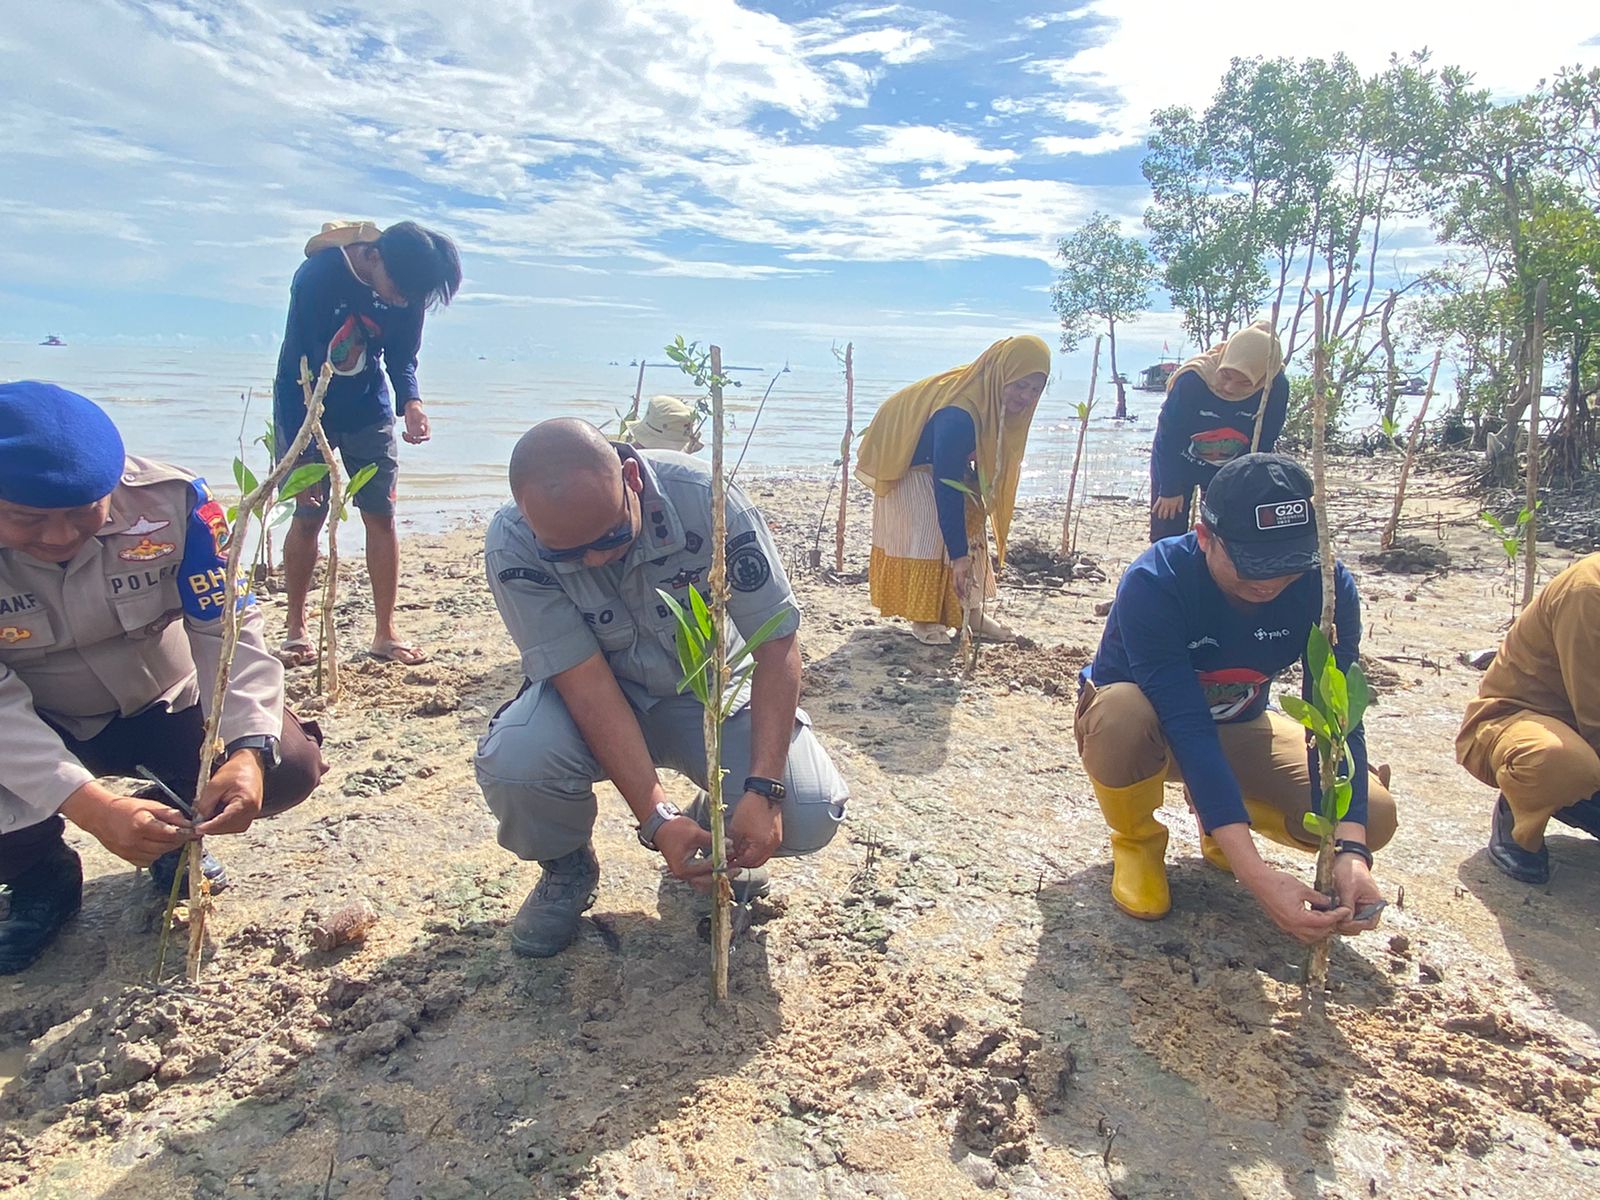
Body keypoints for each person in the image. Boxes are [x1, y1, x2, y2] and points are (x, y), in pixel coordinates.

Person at [473, 419, 847, 957]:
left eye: (610, 538)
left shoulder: (707, 500)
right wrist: (656, 818)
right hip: (601, 700)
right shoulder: (513, 543)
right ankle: (567, 866)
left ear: (632, 478)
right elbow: (586, 687)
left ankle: (711, 819)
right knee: (516, 763)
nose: (594, 561)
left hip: (709, 692)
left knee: (808, 811)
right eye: (567, 556)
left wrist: (764, 789)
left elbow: (776, 644)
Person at [0, 383, 327, 973]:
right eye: (27, 519)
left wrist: (249, 750)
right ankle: (38, 871)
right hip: (38, 722)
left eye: (82, 513)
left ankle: (167, 822)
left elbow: (227, 630)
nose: (58, 536)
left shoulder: (175, 503)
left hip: (166, 700)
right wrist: (91, 808)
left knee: (291, 763)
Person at [1075, 453, 1396, 943]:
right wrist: (1256, 876)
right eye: (1253, 566)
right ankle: (1137, 841)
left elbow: (1337, 719)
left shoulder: (1326, 587)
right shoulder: (1155, 583)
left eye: (1287, 566)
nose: (1270, 583)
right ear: (1205, 538)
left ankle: (1221, 825)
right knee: (1121, 714)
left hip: (1240, 725)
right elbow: (1185, 723)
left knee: (1373, 814)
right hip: (1153, 732)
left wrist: (1352, 850)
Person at [272, 219, 462, 668]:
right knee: (307, 515)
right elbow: (299, 357)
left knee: (382, 516)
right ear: (373, 257)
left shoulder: (409, 290)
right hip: (304, 401)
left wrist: (411, 402)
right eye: (399, 291)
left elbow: (401, 358)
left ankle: (385, 633)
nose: (401, 302)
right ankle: (296, 628)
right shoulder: (319, 277)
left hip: (367, 408)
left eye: (413, 298)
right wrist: (301, 452)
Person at [856, 335, 1051, 645]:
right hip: (910, 461)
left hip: (946, 459)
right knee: (930, 530)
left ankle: (970, 611)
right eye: (1019, 384)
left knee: (973, 517)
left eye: (1035, 389)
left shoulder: (994, 401)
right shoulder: (960, 414)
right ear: (1002, 374)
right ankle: (924, 617)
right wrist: (958, 557)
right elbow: (945, 486)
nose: (1025, 396)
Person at [1457, 554, 1600, 884]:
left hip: (1586, 736)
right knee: (1560, 763)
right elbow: (1596, 719)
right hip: (1520, 725)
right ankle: (1517, 820)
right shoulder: (1588, 591)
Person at [1149, 321, 1288, 542]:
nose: (1230, 388)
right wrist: (1169, 488)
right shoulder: (1193, 380)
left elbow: (1265, 441)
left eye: (1244, 383)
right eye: (1226, 376)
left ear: (1262, 378)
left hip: (1229, 465)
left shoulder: (1275, 387)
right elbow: (1168, 436)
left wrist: (1243, 484)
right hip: (1177, 459)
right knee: (1166, 526)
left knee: (1221, 532)